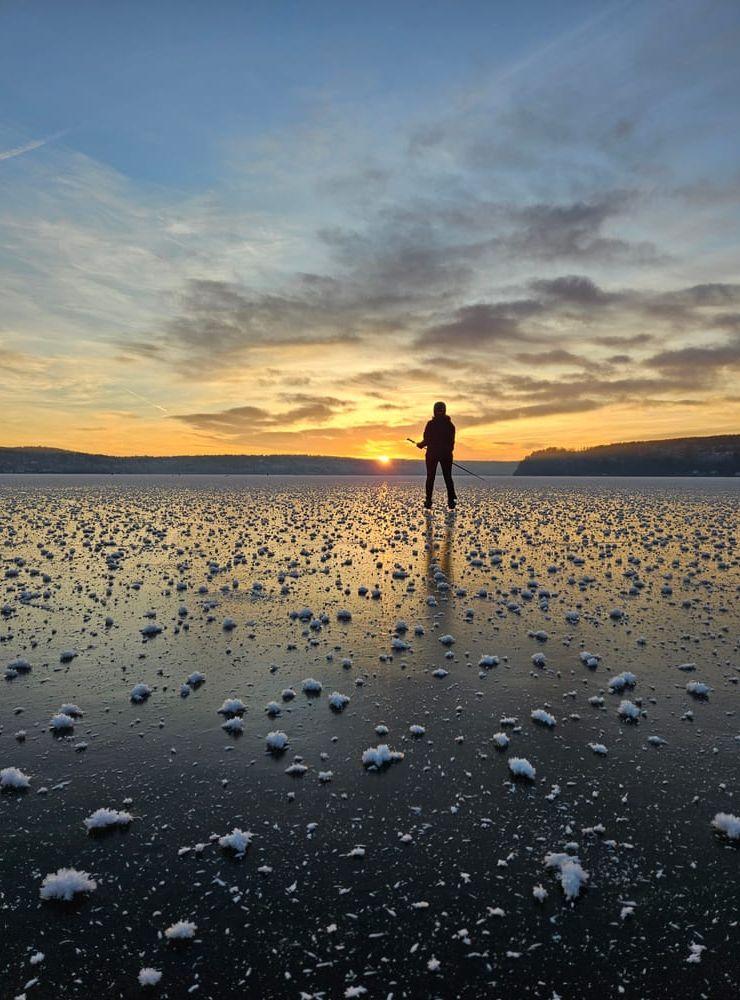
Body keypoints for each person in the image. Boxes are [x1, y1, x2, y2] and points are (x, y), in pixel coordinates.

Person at [416, 401, 457, 510]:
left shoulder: (431, 424)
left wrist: (420, 445)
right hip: (445, 455)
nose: (439, 412)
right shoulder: (450, 425)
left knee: (431, 477)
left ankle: (429, 500)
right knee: (447, 477)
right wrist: (446, 452)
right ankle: (451, 500)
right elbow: (451, 443)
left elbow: (427, 439)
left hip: (433, 455)